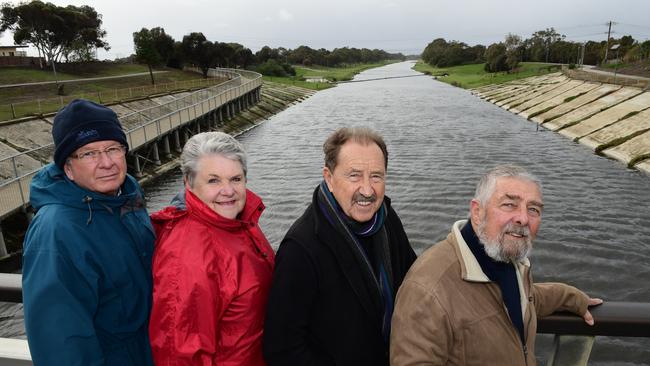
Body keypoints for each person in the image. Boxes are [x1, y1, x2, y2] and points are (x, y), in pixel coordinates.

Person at [390, 165, 603, 366]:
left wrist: (572, 298)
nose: (523, 218)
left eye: (534, 209)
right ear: (477, 211)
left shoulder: (506, 262)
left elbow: (523, 300)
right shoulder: (427, 289)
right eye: (509, 204)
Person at [263, 127, 417, 366]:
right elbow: (282, 349)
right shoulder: (300, 249)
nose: (367, 190)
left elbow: (413, 281)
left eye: (376, 176)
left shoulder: (387, 219)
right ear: (329, 178)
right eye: (354, 175)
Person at [22, 99, 155, 365]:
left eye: (112, 149)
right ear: (67, 168)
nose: (106, 163)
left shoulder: (127, 195)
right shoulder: (55, 232)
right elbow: (61, 345)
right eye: (89, 153)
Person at [149, 131, 275, 365]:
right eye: (213, 180)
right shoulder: (188, 254)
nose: (228, 190)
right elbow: (179, 354)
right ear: (188, 182)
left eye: (236, 179)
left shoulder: (237, 221)